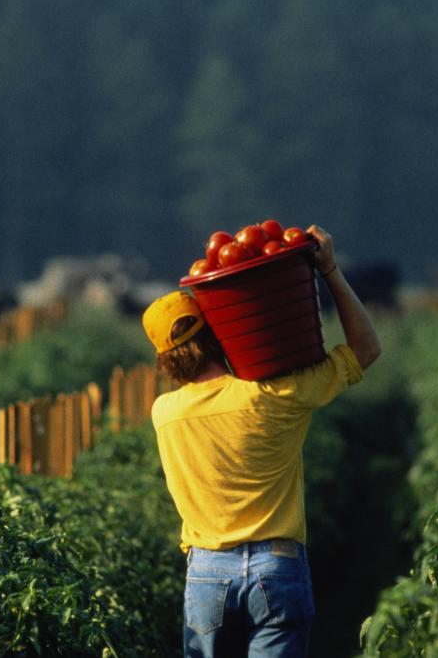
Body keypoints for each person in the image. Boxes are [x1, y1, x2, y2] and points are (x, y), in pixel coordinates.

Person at [143, 226, 381, 657]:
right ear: (216, 332)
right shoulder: (275, 396)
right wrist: (329, 270)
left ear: (165, 358)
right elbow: (365, 350)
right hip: (277, 565)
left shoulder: (165, 414)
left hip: (207, 572)